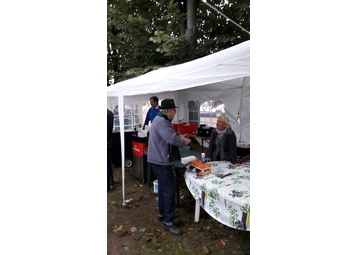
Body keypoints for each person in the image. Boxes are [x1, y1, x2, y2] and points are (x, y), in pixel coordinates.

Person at [147, 99, 191, 236]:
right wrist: (184, 141)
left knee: (163, 189)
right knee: (170, 191)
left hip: (158, 160)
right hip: (161, 162)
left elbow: (169, 136)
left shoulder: (160, 120)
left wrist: (178, 136)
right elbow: (171, 140)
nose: (175, 113)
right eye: (175, 110)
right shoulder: (162, 122)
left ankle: (163, 214)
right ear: (169, 111)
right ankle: (168, 222)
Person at [107, 109, 115, 191]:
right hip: (108, 140)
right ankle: (111, 182)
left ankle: (107, 185)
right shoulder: (110, 113)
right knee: (108, 163)